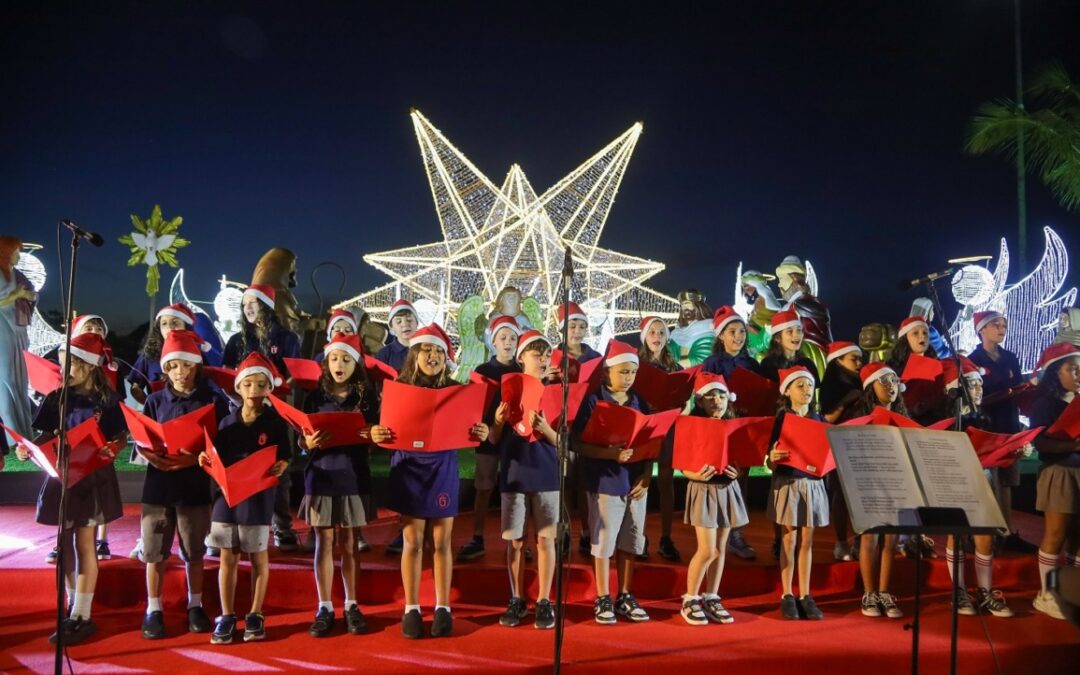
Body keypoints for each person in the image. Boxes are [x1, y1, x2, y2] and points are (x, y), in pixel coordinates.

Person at [13, 332, 126, 644]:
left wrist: (114, 448)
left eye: (71, 364)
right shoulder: (57, 397)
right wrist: (28, 448)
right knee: (64, 542)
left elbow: (120, 436)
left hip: (92, 475)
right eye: (62, 364)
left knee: (84, 541)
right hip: (62, 475)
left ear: (89, 366)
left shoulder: (107, 400)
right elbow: (46, 434)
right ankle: (72, 605)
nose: (64, 370)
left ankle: (83, 613)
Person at [382, 324, 490, 639]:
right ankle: (412, 608)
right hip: (409, 468)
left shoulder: (457, 391)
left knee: (442, 542)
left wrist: (480, 432)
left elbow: (472, 430)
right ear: (414, 354)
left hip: (442, 467)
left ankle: (443, 608)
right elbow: (384, 430)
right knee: (413, 542)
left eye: (439, 351)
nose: (433, 355)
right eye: (427, 350)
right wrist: (377, 433)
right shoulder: (398, 389)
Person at [136, 330, 230, 639]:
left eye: (186, 365)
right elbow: (142, 440)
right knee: (154, 551)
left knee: (194, 551)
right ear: (165, 367)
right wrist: (150, 454)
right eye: (173, 366)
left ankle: (195, 605)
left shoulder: (212, 401)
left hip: (194, 486)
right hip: (158, 486)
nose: (180, 372)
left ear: (197, 366)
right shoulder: (154, 400)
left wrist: (195, 459)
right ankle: (154, 609)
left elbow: (220, 445)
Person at [198, 353, 291, 644]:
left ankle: (255, 613)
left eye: (261, 384)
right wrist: (206, 460)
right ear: (238, 387)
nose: (254, 390)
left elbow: (285, 456)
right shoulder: (226, 423)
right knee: (228, 556)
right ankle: (227, 615)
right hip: (227, 499)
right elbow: (217, 457)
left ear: (269, 388)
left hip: (258, 498)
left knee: (257, 556)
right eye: (248, 384)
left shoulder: (275, 423)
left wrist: (282, 465)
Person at [300, 333, 386, 637]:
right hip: (321, 476)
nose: (340, 364)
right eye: (335, 358)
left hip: (353, 476)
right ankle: (324, 606)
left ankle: (351, 604)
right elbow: (301, 438)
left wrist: (373, 435)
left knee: (350, 543)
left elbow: (378, 435)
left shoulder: (367, 397)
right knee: (323, 542)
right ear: (326, 363)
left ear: (356, 364)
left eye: (346, 359)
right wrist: (307, 442)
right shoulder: (313, 397)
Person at [574, 340, 653, 625]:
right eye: (623, 372)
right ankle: (603, 595)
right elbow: (578, 444)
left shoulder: (640, 402)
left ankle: (625, 594)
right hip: (605, 482)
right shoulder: (593, 401)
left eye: (633, 372)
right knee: (603, 541)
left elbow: (651, 442)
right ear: (607, 372)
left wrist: (647, 475)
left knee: (631, 540)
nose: (629, 378)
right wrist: (610, 454)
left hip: (636, 483)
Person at [488, 329, 559, 629]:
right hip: (514, 475)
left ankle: (544, 600)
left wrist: (546, 429)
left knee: (545, 539)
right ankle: (516, 598)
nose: (543, 360)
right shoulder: (506, 390)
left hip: (547, 474)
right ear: (521, 358)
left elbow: (564, 443)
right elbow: (493, 439)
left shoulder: (556, 393)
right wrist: (498, 422)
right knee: (516, 541)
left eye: (547, 355)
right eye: (536, 354)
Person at [222, 284, 301, 552]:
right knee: (240, 464)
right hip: (241, 412)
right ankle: (237, 524)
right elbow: (225, 374)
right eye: (244, 304)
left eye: (253, 302)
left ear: (266, 305)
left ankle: (282, 526)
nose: (248, 308)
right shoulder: (237, 340)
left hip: (276, 411)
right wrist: (240, 398)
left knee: (279, 466)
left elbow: (294, 373)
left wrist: (273, 395)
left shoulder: (287, 337)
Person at [937, 356, 1015, 618]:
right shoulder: (948, 421)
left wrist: (1011, 452)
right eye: (973, 385)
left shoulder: (984, 418)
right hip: (956, 480)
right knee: (956, 534)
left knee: (985, 536)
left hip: (983, 478)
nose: (980, 390)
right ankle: (958, 590)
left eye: (981, 385)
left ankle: (985, 591)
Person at [679, 372, 748, 625]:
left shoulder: (733, 425)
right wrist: (695, 475)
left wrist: (737, 472)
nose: (717, 401)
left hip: (727, 488)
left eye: (721, 396)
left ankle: (711, 596)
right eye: (710, 396)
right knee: (707, 549)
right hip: (703, 489)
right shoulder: (692, 425)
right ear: (700, 400)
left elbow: (741, 461)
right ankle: (690, 598)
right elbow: (682, 464)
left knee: (720, 548)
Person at [967, 310, 1037, 553]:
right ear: (982, 330)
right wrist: (1000, 395)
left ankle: (1005, 534)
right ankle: (985, 536)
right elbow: (974, 400)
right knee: (987, 482)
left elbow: (1018, 389)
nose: (1001, 329)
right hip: (987, 427)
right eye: (995, 324)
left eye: (1004, 325)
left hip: (1009, 425)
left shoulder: (1010, 358)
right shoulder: (973, 360)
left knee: (1006, 481)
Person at [458, 315, 522, 562]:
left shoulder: (522, 370)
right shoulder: (482, 371)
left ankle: (517, 540)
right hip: (486, 436)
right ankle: (477, 536)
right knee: (484, 486)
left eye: (513, 338)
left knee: (516, 490)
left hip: (515, 437)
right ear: (493, 341)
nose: (508, 342)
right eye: (503, 337)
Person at [767, 366, 827, 620]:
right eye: (800, 385)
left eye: (809, 385)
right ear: (787, 391)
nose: (806, 390)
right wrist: (772, 457)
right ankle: (787, 594)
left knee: (807, 541)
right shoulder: (781, 419)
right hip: (788, 482)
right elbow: (769, 459)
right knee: (789, 540)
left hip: (812, 483)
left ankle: (805, 594)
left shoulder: (818, 419)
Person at [700, 305, 761, 561]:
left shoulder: (752, 364)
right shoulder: (712, 363)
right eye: (732, 331)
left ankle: (737, 533)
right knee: (718, 479)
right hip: (719, 430)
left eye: (741, 331)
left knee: (740, 479)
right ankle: (712, 533)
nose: (738, 336)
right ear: (721, 336)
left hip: (743, 428)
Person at [1026, 343, 1080, 620]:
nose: (1078, 374)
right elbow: (1041, 443)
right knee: (1056, 534)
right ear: (1055, 372)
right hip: (1059, 472)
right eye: (1072, 369)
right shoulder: (1044, 405)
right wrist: (1073, 446)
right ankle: (1046, 595)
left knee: (1078, 536)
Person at [851, 362, 906, 619]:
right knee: (870, 538)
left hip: (896, 482)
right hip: (870, 482)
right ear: (870, 387)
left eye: (894, 381)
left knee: (891, 540)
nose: (890, 386)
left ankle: (885, 592)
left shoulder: (902, 417)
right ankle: (869, 592)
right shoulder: (861, 417)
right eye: (883, 381)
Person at [373, 299, 421, 555]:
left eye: (409, 319)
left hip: (422, 420)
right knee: (403, 475)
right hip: (397, 422)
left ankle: (423, 528)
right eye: (399, 321)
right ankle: (405, 529)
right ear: (391, 327)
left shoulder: (425, 348)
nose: (405, 325)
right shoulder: (385, 355)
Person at [637, 315, 681, 562]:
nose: (657, 337)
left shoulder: (674, 367)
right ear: (644, 337)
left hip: (668, 427)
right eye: (652, 332)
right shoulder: (637, 364)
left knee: (666, 481)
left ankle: (666, 537)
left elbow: (681, 398)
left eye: (662, 332)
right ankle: (638, 537)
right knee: (642, 481)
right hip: (644, 428)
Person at [819, 341, 864, 562]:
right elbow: (826, 418)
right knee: (840, 493)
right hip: (838, 442)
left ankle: (860, 541)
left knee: (861, 494)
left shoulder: (864, 382)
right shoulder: (830, 386)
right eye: (853, 359)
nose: (859, 363)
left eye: (860, 358)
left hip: (862, 443)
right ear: (838, 360)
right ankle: (841, 542)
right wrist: (847, 400)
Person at [0, 236, 36, 442]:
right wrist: (14, 296)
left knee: (21, 382)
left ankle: (24, 431)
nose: (19, 256)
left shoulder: (18, 275)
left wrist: (28, 296)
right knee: (6, 380)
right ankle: (11, 434)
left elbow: (32, 294)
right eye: (16, 252)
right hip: (2, 328)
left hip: (19, 330)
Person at [129, 303, 197, 404]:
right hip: (160, 413)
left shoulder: (196, 354)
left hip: (191, 411)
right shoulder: (148, 355)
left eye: (175, 322)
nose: (169, 327)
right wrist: (151, 405)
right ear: (159, 329)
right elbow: (135, 386)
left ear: (186, 326)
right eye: (164, 324)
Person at [667, 289, 714, 368]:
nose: (684, 307)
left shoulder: (708, 328)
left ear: (698, 306)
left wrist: (673, 369)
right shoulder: (676, 334)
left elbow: (702, 359)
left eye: (687, 303)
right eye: (682, 304)